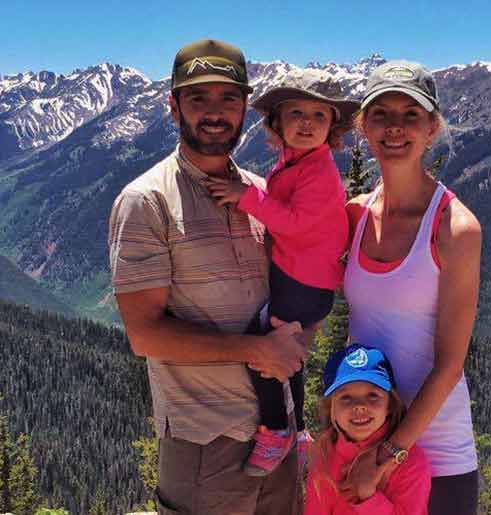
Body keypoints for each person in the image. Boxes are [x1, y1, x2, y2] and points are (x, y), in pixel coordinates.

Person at [108, 38, 310, 515]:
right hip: (205, 441)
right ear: (174, 107)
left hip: (277, 434)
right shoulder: (147, 201)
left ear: (246, 108)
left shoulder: (260, 195)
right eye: (198, 98)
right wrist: (256, 351)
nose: (214, 112)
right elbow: (144, 334)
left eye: (229, 98)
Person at [342, 60, 482, 515]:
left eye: (411, 115)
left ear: (432, 128)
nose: (395, 128)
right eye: (380, 114)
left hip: (437, 453)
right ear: (364, 126)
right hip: (362, 439)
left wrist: (386, 456)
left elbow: (449, 365)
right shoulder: (355, 216)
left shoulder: (455, 229)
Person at [207, 71, 359, 476]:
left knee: (263, 346)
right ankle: (301, 432)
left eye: (319, 116)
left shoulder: (320, 172)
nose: (307, 123)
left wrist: (246, 197)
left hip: (304, 283)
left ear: (332, 127)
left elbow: (294, 223)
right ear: (276, 123)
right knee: (285, 348)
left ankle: (276, 430)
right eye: (296, 113)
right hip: (301, 277)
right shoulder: (297, 162)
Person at [304, 344, 431, 514]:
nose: (359, 406)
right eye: (346, 397)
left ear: (390, 405)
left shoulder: (411, 463)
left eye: (373, 395)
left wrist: (368, 499)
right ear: (331, 409)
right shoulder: (324, 456)